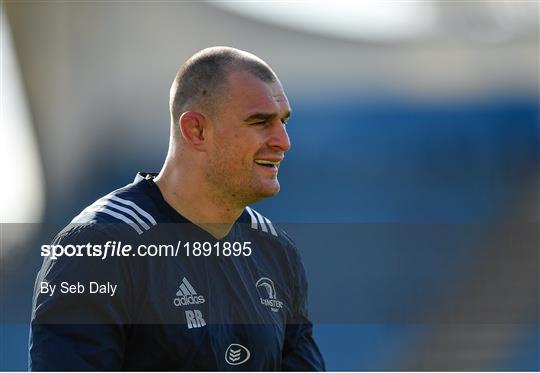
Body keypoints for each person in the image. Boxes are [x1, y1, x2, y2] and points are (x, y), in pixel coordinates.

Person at [29, 46, 325, 371]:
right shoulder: (99, 246)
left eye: (282, 122)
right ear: (196, 130)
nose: (283, 141)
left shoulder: (276, 252)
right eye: (260, 122)